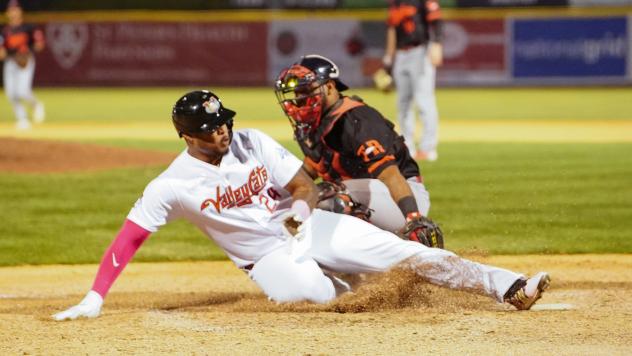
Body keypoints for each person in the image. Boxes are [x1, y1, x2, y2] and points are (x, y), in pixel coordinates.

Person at [52, 90, 550, 321]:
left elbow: (299, 184)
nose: (223, 130)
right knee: (316, 296)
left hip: (308, 231)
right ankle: (351, 276)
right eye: (210, 128)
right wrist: (96, 296)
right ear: (186, 136)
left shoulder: (251, 141)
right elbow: (129, 238)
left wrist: (305, 207)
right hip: (266, 260)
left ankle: (508, 285)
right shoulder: (172, 184)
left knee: (408, 254)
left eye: (223, 121)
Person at [274, 54, 439, 246]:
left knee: (325, 196)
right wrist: (273, 197)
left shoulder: (356, 120)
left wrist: (413, 218)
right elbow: (306, 175)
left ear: (329, 87)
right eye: (297, 94)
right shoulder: (317, 125)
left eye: (306, 90)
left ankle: (392, 246)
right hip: (365, 195)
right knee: (300, 199)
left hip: (403, 196)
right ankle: (351, 269)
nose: (300, 100)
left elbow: (391, 175)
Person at [382, 0, 443, 161]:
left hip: (420, 51)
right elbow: (392, 29)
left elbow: (436, 21)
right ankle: (407, 146)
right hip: (401, 55)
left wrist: (436, 45)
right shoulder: (395, 3)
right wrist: (389, 59)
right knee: (403, 103)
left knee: (424, 101)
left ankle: (428, 148)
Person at [0, 0, 45, 130]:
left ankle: (36, 105)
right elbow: (1, 52)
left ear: (20, 11)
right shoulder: (4, 31)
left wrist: (28, 50)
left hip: (25, 61)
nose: (13, 12)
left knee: (23, 91)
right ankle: (22, 119)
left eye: (15, 9)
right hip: (11, 63)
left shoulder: (28, 28)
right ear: (8, 13)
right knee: (10, 94)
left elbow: (39, 44)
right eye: (11, 10)